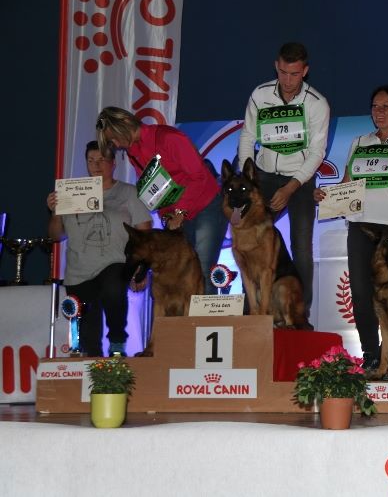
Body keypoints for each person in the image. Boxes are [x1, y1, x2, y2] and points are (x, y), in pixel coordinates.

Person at [314, 84, 388, 370]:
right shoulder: (359, 142)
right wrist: (327, 197)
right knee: (362, 294)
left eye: (385, 106)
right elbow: (346, 186)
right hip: (361, 228)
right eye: (375, 106)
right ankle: (372, 354)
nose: (378, 112)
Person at [238, 42, 330, 314]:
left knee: (301, 247)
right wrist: (248, 179)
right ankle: (251, 309)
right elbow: (247, 136)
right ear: (276, 67)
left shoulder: (317, 104)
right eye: (283, 72)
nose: (288, 81)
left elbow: (317, 152)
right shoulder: (260, 94)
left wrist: (291, 188)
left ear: (305, 71)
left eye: (294, 74)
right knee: (249, 240)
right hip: (263, 177)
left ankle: (301, 312)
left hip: (299, 181)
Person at [95, 107, 226, 295]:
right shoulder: (133, 153)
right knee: (183, 274)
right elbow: (156, 190)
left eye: (114, 138)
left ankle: (204, 324)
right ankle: (186, 323)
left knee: (203, 271)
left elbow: (199, 177)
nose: (115, 144)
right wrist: (166, 217)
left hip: (206, 206)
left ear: (124, 125)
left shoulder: (170, 138)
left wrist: (180, 212)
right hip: (179, 215)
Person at [46, 141, 152, 356]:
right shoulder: (72, 192)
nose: (96, 165)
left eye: (102, 159)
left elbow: (145, 233)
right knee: (88, 336)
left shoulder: (129, 192)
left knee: (113, 287)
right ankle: (93, 366)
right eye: (91, 160)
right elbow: (56, 236)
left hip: (115, 262)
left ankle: (117, 343)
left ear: (113, 163)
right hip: (79, 270)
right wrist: (56, 212)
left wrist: (142, 268)